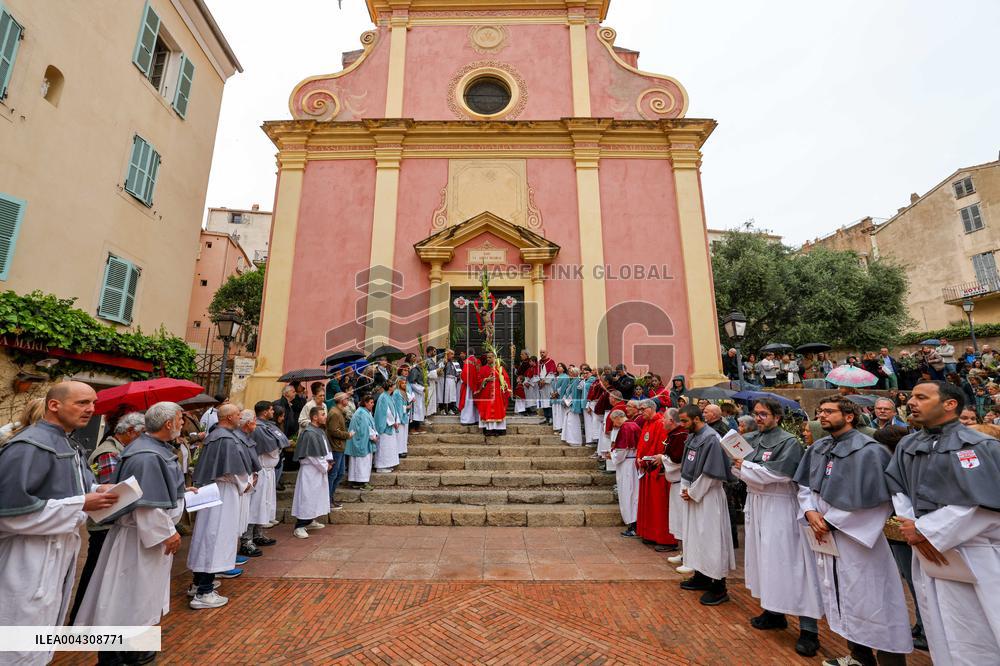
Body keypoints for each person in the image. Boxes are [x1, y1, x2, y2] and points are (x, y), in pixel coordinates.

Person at [0, 382, 116, 666]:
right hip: (26, 556)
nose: (90, 409)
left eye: (93, 403)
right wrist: (80, 504)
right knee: (16, 630)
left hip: (56, 552)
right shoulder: (28, 446)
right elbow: (8, 514)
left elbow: (76, 488)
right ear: (54, 405)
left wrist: (97, 492)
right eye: (82, 403)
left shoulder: (68, 443)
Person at [886, 381, 1000, 664]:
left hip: (976, 551)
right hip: (926, 553)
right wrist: (913, 528)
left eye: (921, 397)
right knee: (938, 624)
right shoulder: (907, 445)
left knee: (982, 627)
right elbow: (897, 488)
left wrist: (925, 530)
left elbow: (986, 503)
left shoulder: (981, 445)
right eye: (911, 396)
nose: (911, 402)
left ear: (949, 404)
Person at [793, 396, 912, 665]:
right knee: (841, 595)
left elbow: (880, 499)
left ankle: (890, 660)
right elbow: (803, 486)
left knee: (872, 598)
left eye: (829, 411)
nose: (822, 416)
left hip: (857, 539)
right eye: (820, 411)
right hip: (825, 533)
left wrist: (832, 520)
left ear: (849, 416)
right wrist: (811, 513)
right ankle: (859, 657)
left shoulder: (870, 450)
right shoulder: (819, 447)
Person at [73, 402, 187, 665]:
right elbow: (145, 505)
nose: (183, 424)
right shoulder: (147, 455)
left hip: (144, 536)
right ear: (168, 423)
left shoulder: (152, 449)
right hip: (139, 538)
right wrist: (168, 533)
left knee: (141, 597)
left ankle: (134, 647)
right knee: (128, 596)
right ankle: (118, 656)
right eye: (180, 419)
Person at [732, 398, 823, 658]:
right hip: (758, 503)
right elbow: (741, 470)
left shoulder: (789, 442)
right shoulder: (751, 439)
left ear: (777, 417)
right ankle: (774, 612)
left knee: (792, 564)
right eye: (756, 414)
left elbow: (780, 475)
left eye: (763, 414)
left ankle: (809, 629)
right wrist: (744, 468)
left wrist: (746, 467)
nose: (758, 418)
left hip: (780, 507)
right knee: (765, 561)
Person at [69, 411, 146, 623]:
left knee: (99, 571)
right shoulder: (110, 453)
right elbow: (112, 491)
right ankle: (79, 620)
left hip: (109, 523)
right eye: (142, 433)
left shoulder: (119, 450)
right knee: (94, 571)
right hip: (104, 524)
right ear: (130, 432)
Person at [187, 403, 255, 609]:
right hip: (223, 492)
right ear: (228, 418)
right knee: (216, 537)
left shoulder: (215, 435)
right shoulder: (225, 439)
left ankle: (199, 582)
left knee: (206, 535)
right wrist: (247, 483)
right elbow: (233, 470)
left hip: (213, 490)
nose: (239, 417)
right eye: (237, 414)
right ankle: (204, 592)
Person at [677, 404, 735, 605]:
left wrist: (693, 493)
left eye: (685, 421)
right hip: (693, 494)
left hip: (708, 496)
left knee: (711, 540)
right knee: (695, 537)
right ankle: (701, 576)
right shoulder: (693, 436)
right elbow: (687, 466)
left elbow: (712, 473)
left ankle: (719, 587)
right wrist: (685, 489)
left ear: (696, 418)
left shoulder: (711, 438)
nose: (683, 425)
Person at [635, 400, 677, 551]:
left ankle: (665, 539)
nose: (640, 412)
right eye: (639, 409)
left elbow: (660, 446)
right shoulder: (646, 423)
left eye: (643, 409)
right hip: (647, 469)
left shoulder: (660, 423)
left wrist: (649, 461)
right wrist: (639, 458)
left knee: (659, 506)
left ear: (652, 408)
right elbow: (642, 444)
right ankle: (650, 534)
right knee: (649, 504)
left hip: (656, 469)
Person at [659, 408, 690, 572]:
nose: (662, 421)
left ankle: (689, 555)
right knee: (678, 519)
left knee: (685, 520)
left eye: (664, 418)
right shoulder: (675, 434)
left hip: (682, 482)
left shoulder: (681, 435)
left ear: (672, 421)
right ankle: (683, 551)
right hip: (676, 482)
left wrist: (661, 458)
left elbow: (678, 460)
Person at [248, 401, 283, 543]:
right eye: (271, 410)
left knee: (265, 503)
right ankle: (247, 539)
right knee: (255, 505)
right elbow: (269, 448)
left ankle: (258, 534)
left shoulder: (268, 426)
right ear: (264, 412)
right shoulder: (258, 428)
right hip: (260, 471)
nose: (273, 412)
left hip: (269, 472)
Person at [234, 410, 263, 559]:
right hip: (240, 483)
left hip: (248, 480)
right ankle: (242, 544)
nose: (256, 424)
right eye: (254, 421)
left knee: (244, 514)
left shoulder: (245, 437)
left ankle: (239, 545)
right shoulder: (237, 438)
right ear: (247, 423)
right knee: (239, 515)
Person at [609, 409, 640, 536]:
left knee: (628, 494)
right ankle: (635, 523)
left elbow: (621, 451)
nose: (614, 425)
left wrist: (611, 454)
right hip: (633, 463)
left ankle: (632, 524)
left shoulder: (625, 428)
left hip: (627, 465)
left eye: (613, 421)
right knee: (634, 494)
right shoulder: (634, 425)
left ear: (617, 418)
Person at [325, 392, 352, 509]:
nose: (349, 400)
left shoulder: (338, 412)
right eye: (347, 398)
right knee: (333, 474)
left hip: (339, 447)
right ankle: (328, 499)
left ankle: (330, 497)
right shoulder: (335, 413)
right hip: (335, 447)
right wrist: (348, 435)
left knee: (340, 473)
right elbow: (333, 431)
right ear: (341, 400)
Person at [346, 394, 377, 489]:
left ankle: (355, 481)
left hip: (358, 441)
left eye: (373, 402)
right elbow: (365, 429)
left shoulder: (362, 411)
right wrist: (373, 437)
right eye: (371, 403)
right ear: (365, 403)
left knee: (357, 463)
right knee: (363, 462)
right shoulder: (362, 413)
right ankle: (362, 482)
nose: (373, 404)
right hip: (361, 442)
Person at [476, 352, 511, 436]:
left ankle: (499, 429)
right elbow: (478, 380)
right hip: (487, 394)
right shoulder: (483, 369)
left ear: (495, 358)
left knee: (498, 411)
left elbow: (506, 379)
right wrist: (486, 379)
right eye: (487, 357)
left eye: (490, 357)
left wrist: (503, 382)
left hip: (498, 394)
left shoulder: (499, 369)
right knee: (487, 411)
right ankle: (489, 430)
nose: (488, 359)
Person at [373, 387, 400, 472]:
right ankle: (381, 466)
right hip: (385, 426)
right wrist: (393, 422)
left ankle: (387, 464)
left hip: (390, 425)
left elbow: (394, 410)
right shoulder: (383, 397)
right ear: (390, 387)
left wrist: (396, 420)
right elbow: (386, 412)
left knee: (389, 446)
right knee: (384, 446)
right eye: (393, 386)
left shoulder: (388, 396)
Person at [561, 367, 585, 446]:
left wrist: (567, 401)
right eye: (569, 372)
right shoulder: (570, 382)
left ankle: (575, 441)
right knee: (569, 423)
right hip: (568, 404)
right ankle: (569, 439)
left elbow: (574, 394)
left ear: (575, 373)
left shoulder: (577, 381)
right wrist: (564, 399)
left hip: (573, 404)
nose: (569, 374)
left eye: (571, 372)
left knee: (573, 423)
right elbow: (567, 393)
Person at [459, 351, 481, 425]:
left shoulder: (467, 361)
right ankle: (476, 419)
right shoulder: (478, 361)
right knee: (475, 402)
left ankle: (467, 420)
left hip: (468, 386)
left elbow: (464, 374)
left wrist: (462, 378)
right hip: (476, 386)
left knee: (467, 403)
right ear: (474, 353)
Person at [537, 349, 557, 425]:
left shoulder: (551, 362)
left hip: (548, 386)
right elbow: (536, 373)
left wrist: (544, 381)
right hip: (541, 386)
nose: (542, 354)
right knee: (543, 402)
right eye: (541, 352)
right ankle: (546, 417)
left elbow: (552, 373)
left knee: (549, 401)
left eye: (543, 352)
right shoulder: (539, 363)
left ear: (547, 353)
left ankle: (551, 417)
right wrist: (539, 381)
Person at [442, 349, 460, 414]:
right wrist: (445, 361)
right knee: (445, 394)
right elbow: (440, 369)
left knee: (452, 395)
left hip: (452, 380)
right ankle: (443, 409)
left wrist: (459, 375)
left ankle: (450, 409)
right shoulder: (443, 361)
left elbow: (458, 373)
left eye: (453, 354)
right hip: (445, 380)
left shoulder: (455, 362)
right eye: (451, 354)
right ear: (447, 354)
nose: (453, 356)